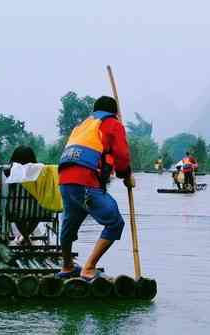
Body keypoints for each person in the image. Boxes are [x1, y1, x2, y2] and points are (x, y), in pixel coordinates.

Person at [56, 96, 133, 281]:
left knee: (70, 221)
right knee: (115, 222)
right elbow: (122, 155)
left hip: (65, 179)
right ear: (115, 112)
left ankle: (67, 266)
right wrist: (126, 175)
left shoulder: (83, 125)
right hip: (85, 180)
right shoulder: (113, 124)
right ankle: (88, 267)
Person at [9, 145, 40, 246]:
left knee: (17, 215)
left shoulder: (10, 170)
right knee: (38, 214)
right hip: (37, 211)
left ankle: (26, 238)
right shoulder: (40, 170)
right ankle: (25, 237)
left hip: (17, 209)